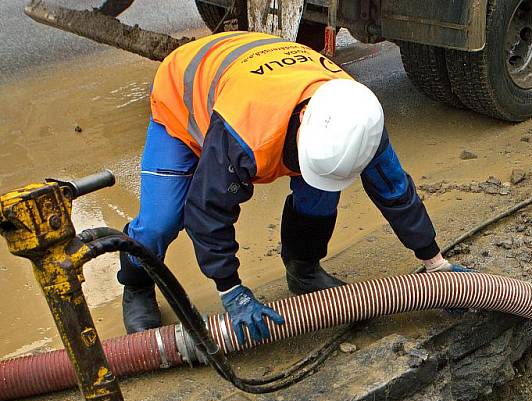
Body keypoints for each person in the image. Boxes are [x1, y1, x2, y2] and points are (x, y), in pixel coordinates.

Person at [119, 31, 467, 345]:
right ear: (303, 124)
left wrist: (435, 262)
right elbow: (206, 210)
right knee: (161, 221)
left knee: (320, 195)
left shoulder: (358, 121)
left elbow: (394, 192)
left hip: (259, 71)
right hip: (184, 97)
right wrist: (232, 290)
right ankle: (136, 282)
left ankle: (303, 269)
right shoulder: (246, 132)